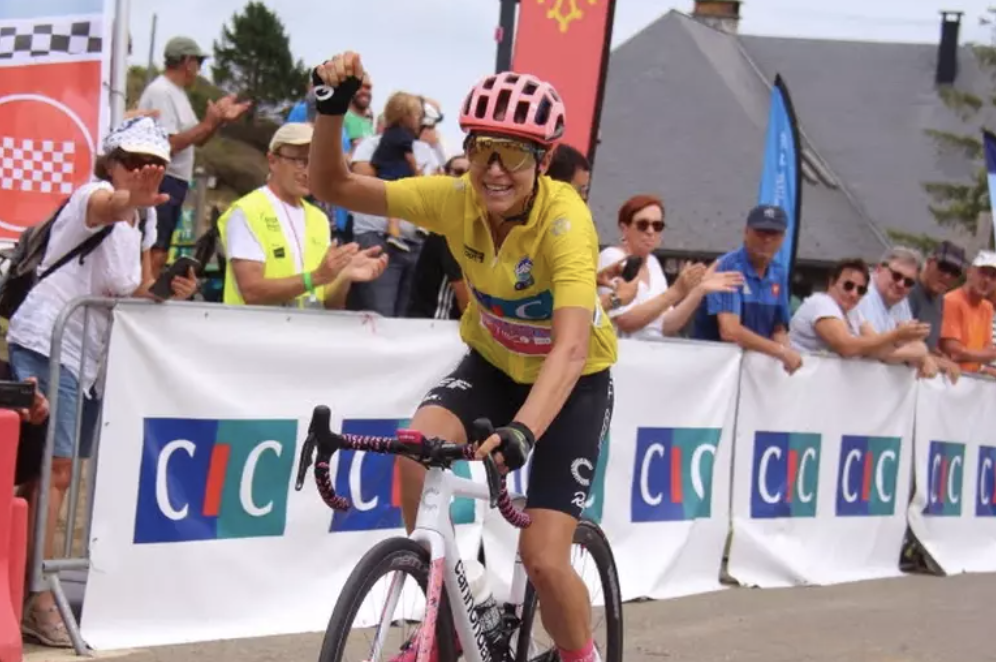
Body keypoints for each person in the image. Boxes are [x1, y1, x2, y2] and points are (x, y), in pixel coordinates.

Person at [311, 52, 615, 662]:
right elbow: (333, 185)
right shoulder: (453, 200)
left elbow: (573, 345)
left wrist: (526, 429)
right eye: (482, 149)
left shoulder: (565, 223)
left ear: (545, 159)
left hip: (570, 382)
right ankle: (454, 609)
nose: (494, 170)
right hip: (492, 365)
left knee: (543, 559)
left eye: (515, 153)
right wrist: (329, 109)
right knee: (414, 453)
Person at [7, 116, 197, 647]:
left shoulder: (145, 223)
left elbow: (129, 292)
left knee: (48, 472)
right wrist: (128, 197)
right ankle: (38, 597)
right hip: (49, 341)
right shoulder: (94, 197)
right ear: (111, 162)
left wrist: (166, 290)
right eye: (133, 161)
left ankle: (21, 586)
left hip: (84, 357)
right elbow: (106, 206)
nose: (145, 172)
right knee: (56, 471)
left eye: (155, 163)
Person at [217, 122, 387, 309]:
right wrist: (316, 277)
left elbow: (329, 304)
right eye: (300, 161)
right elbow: (251, 291)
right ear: (272, 160)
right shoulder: (247, 211)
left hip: (304, 335)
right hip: (256, 335)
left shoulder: (319, 219)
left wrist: (344, 276)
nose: (308, 172)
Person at [137, 36, 251, 279]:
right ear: (187, 61)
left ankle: (144, 297)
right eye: (198, 62)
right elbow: (167, 144)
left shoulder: (175, 93)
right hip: (161, 179)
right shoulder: (161, 91)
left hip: (173, 180)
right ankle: (139, 301)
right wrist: (210, 121)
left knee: (160, 249)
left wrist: (217, 120)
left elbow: (197, 139)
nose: (199, 69)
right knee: (153, 250)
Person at [597, 195, 741, 340]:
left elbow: (666, 326)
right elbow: (625, 321)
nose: (650, 231)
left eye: (657, 226)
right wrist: (676, 291)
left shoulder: (653, 263)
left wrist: (698, 291)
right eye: (643, 225)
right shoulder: (612, 258)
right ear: (624, 228)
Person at [691, 204, 803, 375]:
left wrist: (786, 352)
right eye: (761, 232)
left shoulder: (779, 273)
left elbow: (778, 328)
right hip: (712, 372)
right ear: (746, 232)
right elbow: (730, 331)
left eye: (774, 234)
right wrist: (780, 352)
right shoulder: (727, 266)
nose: (767, 239)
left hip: (753, 374)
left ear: (783, 238)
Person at [788, 258, 930, 357]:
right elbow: (846, 347)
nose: (854, 294)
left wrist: (912, 345)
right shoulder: (822, 303)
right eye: (848, 286)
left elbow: (878, 350)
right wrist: (897, 336)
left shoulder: (853, 313)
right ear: (832, 282)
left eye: (861, 290)